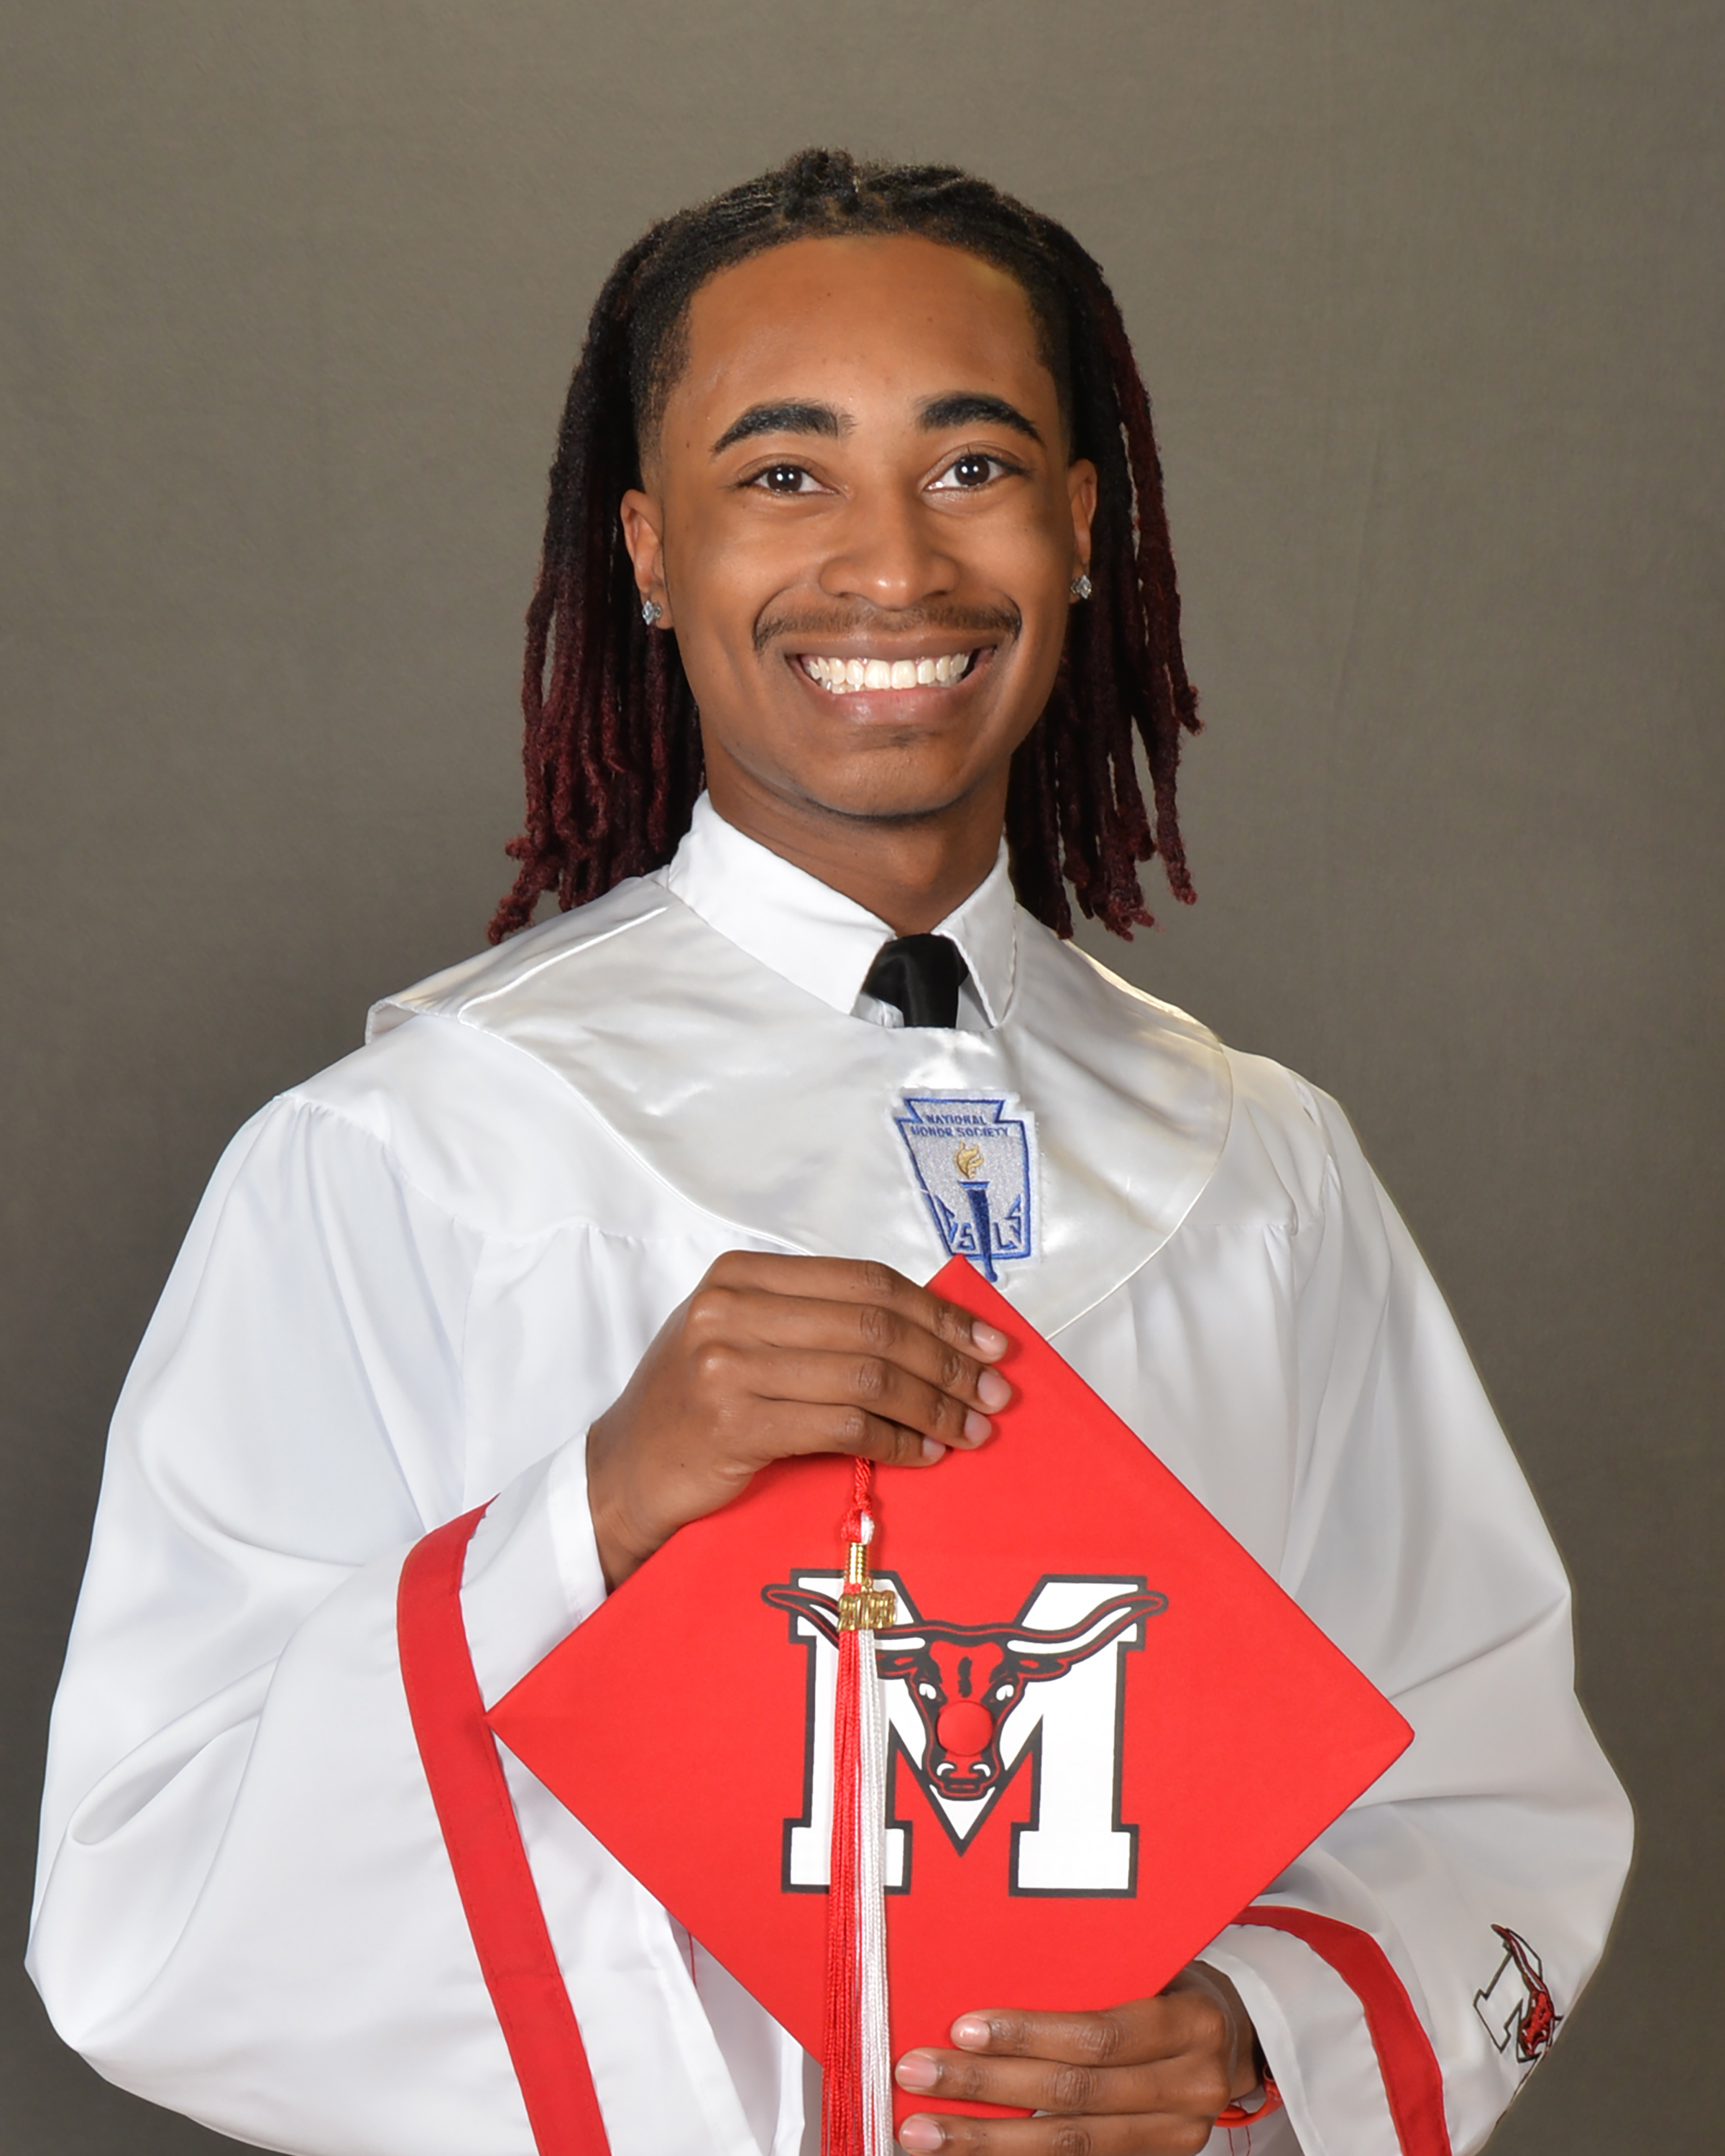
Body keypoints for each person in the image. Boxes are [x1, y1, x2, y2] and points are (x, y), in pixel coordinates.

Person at [29, 149, 1631, 2156]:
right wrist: (593, 1509)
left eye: (971, 466)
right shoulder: (418, 1158)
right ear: (648, 547)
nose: (893, 564)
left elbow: (1485, 1781)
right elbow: (146, 1891)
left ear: (1079, 524)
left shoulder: (1257, 1171)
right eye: (785, 472)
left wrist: (1252, 2025)